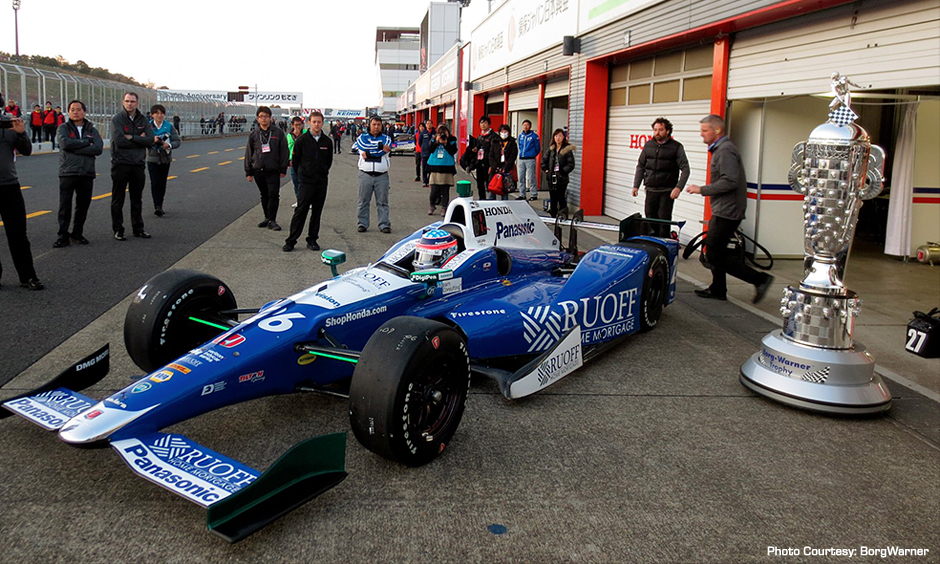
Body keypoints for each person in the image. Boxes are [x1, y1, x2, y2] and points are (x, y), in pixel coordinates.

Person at [686, 114, 774, 303]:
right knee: (716, 251)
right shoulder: (721, 149)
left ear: (717, 130)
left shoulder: (725, 150)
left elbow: (730, 181)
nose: (702, 135)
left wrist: (702, 189)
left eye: (704, 130)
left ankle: (760, 279)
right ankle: (718, 289)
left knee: (714, 253)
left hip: (728, 211)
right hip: (724, 209)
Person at [0, 94, 43, 290]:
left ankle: (28, 276)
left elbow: (26, 151)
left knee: (18, 235)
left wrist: (21, 133)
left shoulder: (9, 126)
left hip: (9, 186)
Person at [54, 99, 103, 247]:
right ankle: (63, 235)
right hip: (68, 171)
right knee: (65, 206)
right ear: (69, 112)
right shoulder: (63, 128)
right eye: (72, 110)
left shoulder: (92, 129)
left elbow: (98, 148)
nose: (75, 112)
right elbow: (65, 144)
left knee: (83, 205)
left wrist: (76, 146)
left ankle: (77, 233)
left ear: (84, 112)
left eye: (78, 109)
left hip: (86, 172)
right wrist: (87, 143)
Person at [283, 111, 333, 252]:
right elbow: (296, 161)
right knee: (301, 211)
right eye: (314, 122)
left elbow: (328, 161)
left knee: (316, 213)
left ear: (322, 123)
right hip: (305, 182)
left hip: (321, 182)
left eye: (319, 122)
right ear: (309, 123)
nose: (317, 124)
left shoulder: (327, 142)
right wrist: (304, 175)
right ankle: (291, 241)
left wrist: (321, 173)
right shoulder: (302, 140)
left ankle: (312, 240)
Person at [632, 117, 690, 237]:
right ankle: (651, 243)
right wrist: (635, 186)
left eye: (661, 130)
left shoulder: (676, 147)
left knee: (664, 219)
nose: (657, 133)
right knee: (650, 217)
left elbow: (685, 169)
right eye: (655, 130)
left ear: (668, 131)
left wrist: (678, 187)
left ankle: (664, 245)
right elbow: (640, 166)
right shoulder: (648, 146)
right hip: (651, 189)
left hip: (667, 191)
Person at [110, 92, 155, 241]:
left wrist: (131, 137)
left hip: (137, 164)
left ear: (137, 103)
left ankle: (138, 228)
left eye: (132, 101)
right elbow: (120, 141)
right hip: (120, 163)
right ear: (123, 102)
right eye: (127, 101)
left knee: (137, 199)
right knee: (118, 198)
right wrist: (139, 138)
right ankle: (118, 229)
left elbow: (149, 141)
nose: (129, 104)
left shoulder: (143, 120)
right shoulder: (117, 119)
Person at [245, 106, 289, 231]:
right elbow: (249, 152)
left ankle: (272, 220)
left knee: (274, 194)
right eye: (261, 117)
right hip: (258, 170)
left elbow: (284, 151)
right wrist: (248, 171)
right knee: (264, 195)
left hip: (273, 170)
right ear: (257, 119)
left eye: (266, 116)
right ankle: (267, 217)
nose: (263, 119)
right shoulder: (254, 134)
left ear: (270, 118)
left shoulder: (278, 133)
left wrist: (283, 168)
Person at [353, 116, 395, 233]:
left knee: (383, 202)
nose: (376, 127)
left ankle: (384, 224)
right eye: (374, 124)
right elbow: (364, 150)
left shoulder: (386, 138)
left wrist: (372, 151)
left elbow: (381, 150)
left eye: (378, 124)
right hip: (365, 175)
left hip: (382, 175)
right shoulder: (362, 137)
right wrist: (380, 148)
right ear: (369, 125)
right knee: (363, 201)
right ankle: (362, 223)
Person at [147, 104, 181, 217]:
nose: (159, 115)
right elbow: (142, 140)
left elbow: (177, 141)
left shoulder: (169, 126)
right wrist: (152, 140)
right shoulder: (148, 126)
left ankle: (160, 204)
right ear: (152, 115)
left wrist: (169, 145)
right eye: (157, 113)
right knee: (155, 182)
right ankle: (157, 205)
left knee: (162, 182)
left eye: (161, 113)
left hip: (165, 158)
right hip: (152, 158)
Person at [541, 129, 576, 218]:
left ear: (563, 137)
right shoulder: (551, 149)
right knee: (553, 198)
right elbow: (544, 160)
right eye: (556, 136)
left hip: (561, 178)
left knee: (561, 198)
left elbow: (571, 164)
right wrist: (546, 170)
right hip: (551, 177)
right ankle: (553, 216)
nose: (558, 138)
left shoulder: (567, 149)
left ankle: (563, 217)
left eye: (560, 136)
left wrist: (562, 172)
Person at [425, 124, 458, 217]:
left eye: (444, 132)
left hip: (447, 168)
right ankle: (432, 206)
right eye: (440, 133)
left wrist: (446, 143)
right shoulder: (434, 139)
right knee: (434, 191)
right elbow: (430, 150)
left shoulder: (452, 140)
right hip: (435, 167)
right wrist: (436, 142)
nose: (442, 135)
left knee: (445, 191)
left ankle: (444, 208)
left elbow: (453, 151)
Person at [488, 124, 517, 201]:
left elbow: (513, 156)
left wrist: (506, 167)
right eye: (502, 131)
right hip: (495, 170)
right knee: (492, 190)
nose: (503, 133)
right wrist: (495, 167)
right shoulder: (495, 142)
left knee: (504, 192)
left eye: (505, 131)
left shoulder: (512, 143)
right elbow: (491, 155)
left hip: (506, 169)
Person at [472, 116, 498, 200]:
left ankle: (491, 201)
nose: (483, 125)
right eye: (481, 123)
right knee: (480, 184)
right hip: (480, 163)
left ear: (489, 124)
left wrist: (492, 165)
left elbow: (495, 152)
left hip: (489, 164)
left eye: (485, 123)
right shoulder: (480, 136)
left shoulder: (493, 136)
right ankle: (482, 200)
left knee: (490, 184)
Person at [515, 119, 540, 201]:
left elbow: (538, 148)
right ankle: (522, 194)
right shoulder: (520, 136)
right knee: (521, 177)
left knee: (531, 177)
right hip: (521, 159)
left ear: (530, 126)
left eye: (527, 125)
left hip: (530, 159)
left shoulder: (534, 136)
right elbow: (519, 145)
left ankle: (533, 194)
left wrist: (532, 154)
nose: (525, 127)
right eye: (524, 125)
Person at [286, 116, 305, 207]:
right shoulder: (289, 136)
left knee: (304, 182)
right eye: (296, 125)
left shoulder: (305, 133)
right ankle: (299, 200)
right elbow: (287, 149)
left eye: (299, 125)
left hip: (304, 161)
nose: (298, 127)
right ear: (292, 125)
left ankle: (306, 200)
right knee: (296, 182)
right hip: (293, 162)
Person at [418, 119, 434, 186]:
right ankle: (425, 181)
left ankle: (429, 180)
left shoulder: (434, 133)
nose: (429, 125)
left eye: (430, 123)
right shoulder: (423, 133)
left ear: (432, 124)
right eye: (427, 123)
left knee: (431, 168)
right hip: (424, 153)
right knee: (424, 168)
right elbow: (419, 142)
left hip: (432, 153)